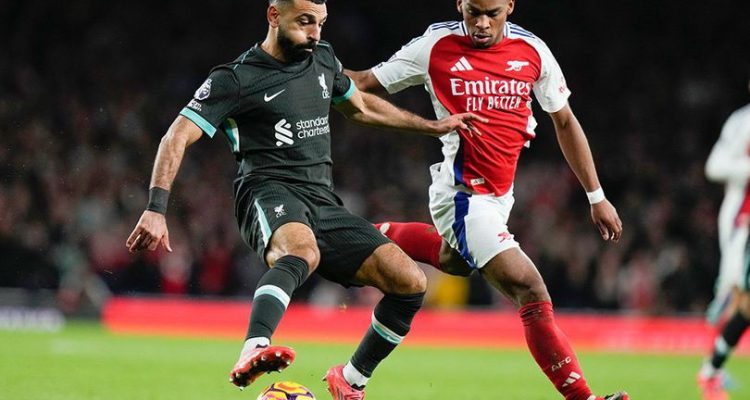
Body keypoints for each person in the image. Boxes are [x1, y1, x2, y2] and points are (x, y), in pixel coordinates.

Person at [124, 1, 484, 399]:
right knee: (302, 251)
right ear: (274, 16)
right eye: (305, 22)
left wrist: (432, 127)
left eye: (321, 23)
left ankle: (351, 379)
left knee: (410, 282)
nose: (315, 33)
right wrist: (156, 209)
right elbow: (176, 135)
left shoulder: (323, 58)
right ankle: (253, 348)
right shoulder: (236, 78)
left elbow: (361, 107)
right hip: (267, 189)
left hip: (322, 201)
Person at [348, 1, 628, 399]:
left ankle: (366, 234)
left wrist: (596, 196)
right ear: (460, 5)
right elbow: (363, 82)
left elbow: (564, 120)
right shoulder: (435, 45)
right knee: (530, 289)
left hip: (499, 198)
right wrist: (307, 71)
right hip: (461, 196)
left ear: (510, 6)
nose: (481, 23)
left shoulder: (533, 51)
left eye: (492, 13)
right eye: (473, 12)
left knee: (454, 261)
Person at [697, 79, 750, 400]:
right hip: (741, 221)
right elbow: (714, 166)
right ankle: (712, 371)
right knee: (735, 292)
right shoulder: (742, 121)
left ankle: (712, 368)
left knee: (741, 298)